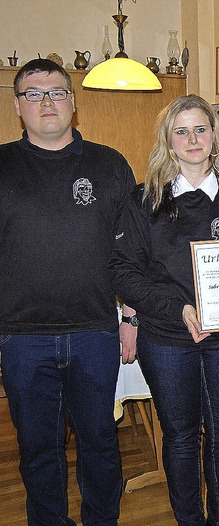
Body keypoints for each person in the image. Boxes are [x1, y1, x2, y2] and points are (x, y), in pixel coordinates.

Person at [108, 94, 219, 526]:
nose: (191, 139)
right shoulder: (143, 200)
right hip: (167, 339)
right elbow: (122, 272)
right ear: (168, 141)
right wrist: (180, 308)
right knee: (182, 438)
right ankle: (190, 520)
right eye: (181, 131)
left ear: (214, 137)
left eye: (200, 129)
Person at [0, 58, 137, 525]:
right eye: (34, 94)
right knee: (38, 451)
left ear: (73, 102)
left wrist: (131, 319)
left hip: (95, 333)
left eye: (57, 92)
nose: (47, 102)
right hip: (20, 337)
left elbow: (131, 253)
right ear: (18, 105)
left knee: (100, 443)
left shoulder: (109, 164)